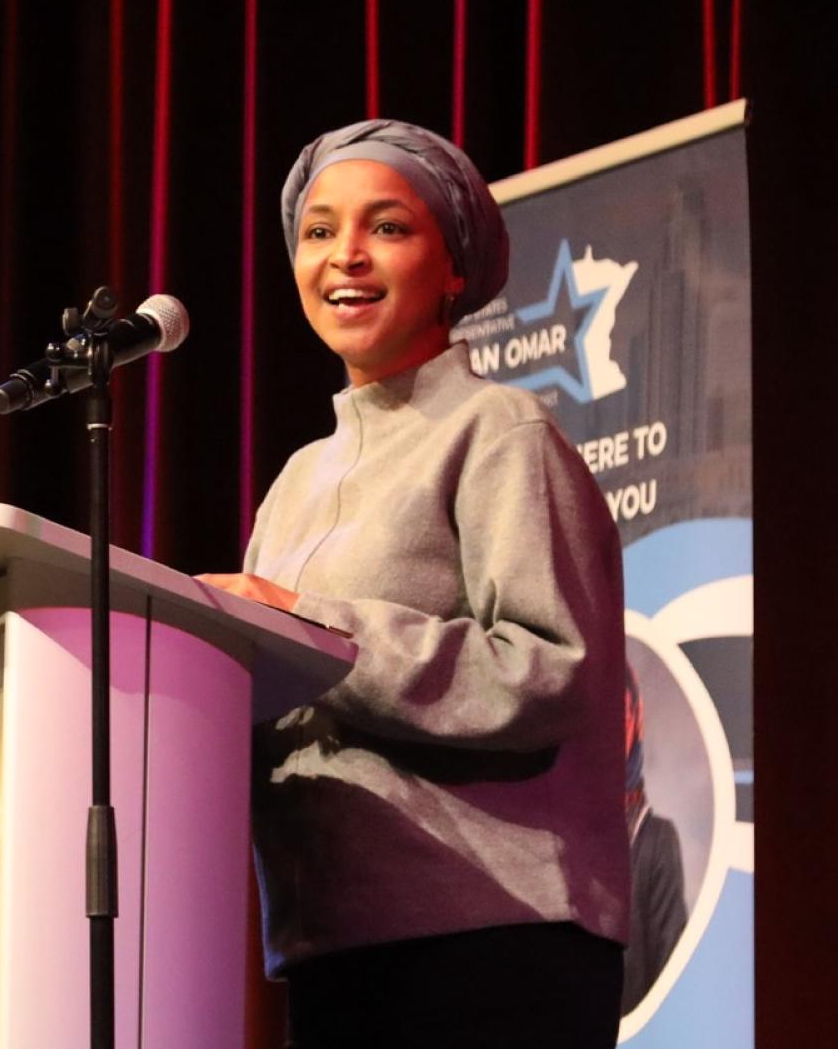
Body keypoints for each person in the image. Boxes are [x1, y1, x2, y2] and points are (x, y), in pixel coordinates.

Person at [197, 118, 630, 1046]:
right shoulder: (295, 484)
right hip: (333, 952)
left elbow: (552, 671)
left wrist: (305, 627)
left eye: (387, 227)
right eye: (319, 231)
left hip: (491, 944)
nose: (344, 255)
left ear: (455, 266)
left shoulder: (498, 429)